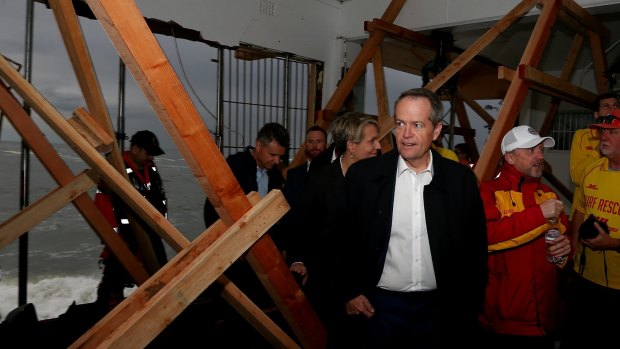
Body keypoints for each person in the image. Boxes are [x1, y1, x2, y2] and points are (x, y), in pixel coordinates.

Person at [337, 88, 488, 348]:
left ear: (437, 130)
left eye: (417, 125)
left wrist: (467, 307)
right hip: (378, 307)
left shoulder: (460, 180)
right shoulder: (364, 176)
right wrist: (349, 292)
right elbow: (343, 239)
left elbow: (475, 249)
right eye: (400, 124)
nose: (406, 135)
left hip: (440, 309)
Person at [287, 113, 381, 346]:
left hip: (372, 289)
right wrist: (346, 294)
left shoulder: (380, 181)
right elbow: (313, 237)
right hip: (331, 287)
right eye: (372, 141)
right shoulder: (320, 180)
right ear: (351, 146)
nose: (378, 146)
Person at [478, 125, 571, 349]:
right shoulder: (488, 192)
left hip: (546, 321)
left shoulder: (548, 195)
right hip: (504, 322)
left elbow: (560, 246)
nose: (539, 156)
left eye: (540, 149)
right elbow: (486, 238)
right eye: (531, 151)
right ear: (509, 157)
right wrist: (539, 214)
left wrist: (564, 252)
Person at [202, 122, 289, 307]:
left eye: (280, 157)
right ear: (259, 146)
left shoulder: (275, 175)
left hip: (263, 255)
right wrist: (229, 245)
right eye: (273, 155)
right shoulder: (234, 167)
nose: (276, 161)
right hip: (234, 255)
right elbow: (212, 210)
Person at [562, 111, 620, 348]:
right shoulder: (592, 169)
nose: (604, 136)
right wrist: (574, 248)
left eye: (613, 132)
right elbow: (580, 211)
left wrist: (614, 244)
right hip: (585, 278)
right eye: (603, 131)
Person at [94, 130, 169, 310]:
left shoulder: (150, 168)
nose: (151, 157)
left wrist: (161, 224)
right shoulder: (116, 168)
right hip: (124, 236)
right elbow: (102, 203)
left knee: (163, 274)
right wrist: (114, 235)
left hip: (151, 232)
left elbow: (160, 198)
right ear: (135, 149)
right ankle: (106, 312)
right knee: (114, 279)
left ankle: (161, 310)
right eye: (148, 152)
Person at [569, 92, 619, 217]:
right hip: (586, 210)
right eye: (606, 106)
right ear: (596, 114)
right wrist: (599, 150)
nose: (612, 110)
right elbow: (577, 177)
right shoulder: (582, 136)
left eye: (616, 106)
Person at [283, 125, 327, 212]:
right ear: (305, 145)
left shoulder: (335, 173)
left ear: (326, 145)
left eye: (319, 142)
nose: (314, 145)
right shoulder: (292, 174)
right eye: (310, 141)